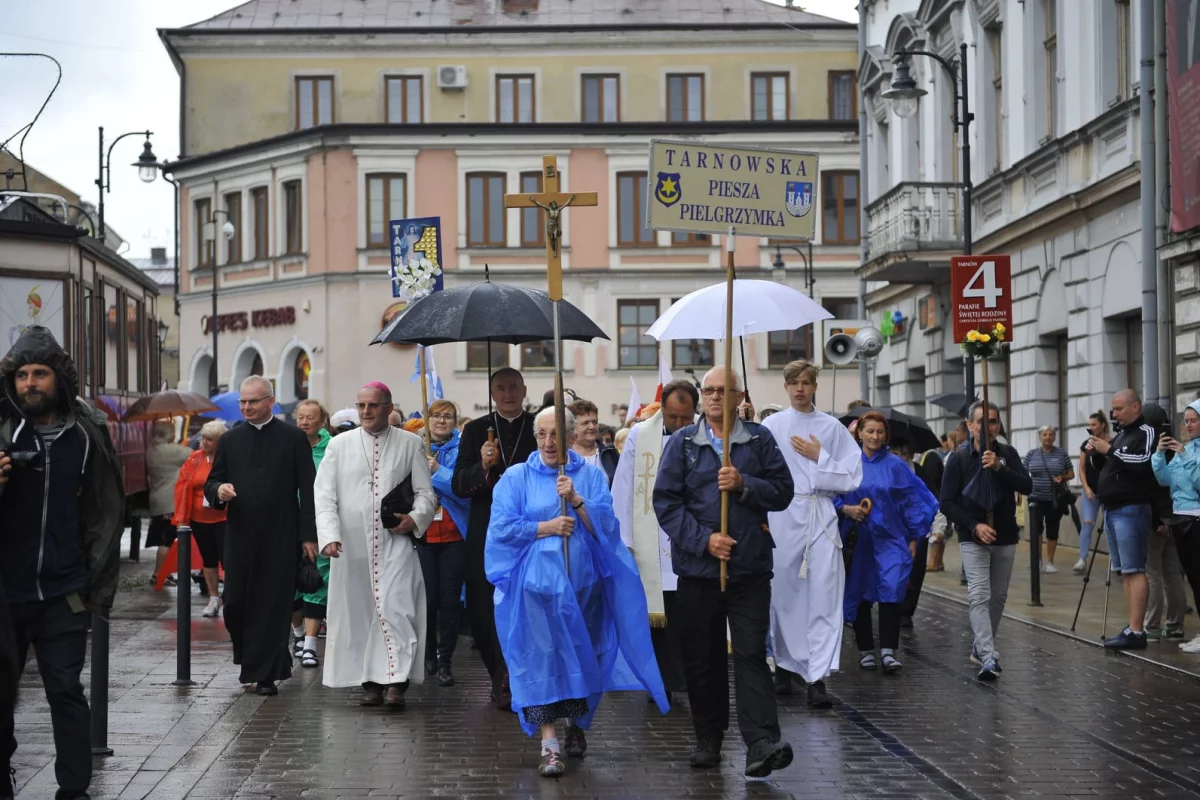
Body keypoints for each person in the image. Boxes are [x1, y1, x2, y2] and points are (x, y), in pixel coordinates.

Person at [488, 406, 667, 777]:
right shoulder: (516, 476)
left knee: (584, 654)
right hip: (535, 592)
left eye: (557, 434)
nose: (549, 442)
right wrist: (546, 526)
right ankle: (548, 743)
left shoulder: (588, 475)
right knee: (543, 659)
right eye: (542, 434)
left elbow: (607, 527)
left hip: (583, 585)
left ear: (571, 436)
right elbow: (502, 527)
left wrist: (577, 501)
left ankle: (576, 726)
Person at [0, 326, 125, 800]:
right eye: (22, 375)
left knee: (66, 693)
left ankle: (74, 790)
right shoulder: (1, 428)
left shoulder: (85, 433)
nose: (30, 383)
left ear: (59, 378)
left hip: (64, 592)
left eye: (40, 373)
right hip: (4, 596)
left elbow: (106, 512)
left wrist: (94, 586)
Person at [654, 366, 795, 778]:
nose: (715, 397)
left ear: (738, 396)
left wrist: (744, 483)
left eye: (723, 391)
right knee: (703, 658)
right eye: (709, 390)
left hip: (749, 569)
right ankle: (708, 737)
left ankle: (761, 742)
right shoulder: (683, 444)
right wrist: (703, 541)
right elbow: (666, 503)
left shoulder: (759, 439)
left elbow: (784, 491)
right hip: (699, 572)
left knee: (751, 653)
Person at [315, 382, 436, 707]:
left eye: (373, 406)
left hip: (394, 542)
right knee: (361, 612)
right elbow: (324, 495)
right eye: (362, 406)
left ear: (388, 407)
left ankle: (396, 681)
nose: (366, 412)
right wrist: (329, 535)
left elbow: (426, 493)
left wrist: (415, 517)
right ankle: (370, 682)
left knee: (397, 607)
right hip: (352, 545)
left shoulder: (411, 443)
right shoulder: (339, 446)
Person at [205, 376, 319, 695]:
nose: (246, 407)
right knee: (236, 604)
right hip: (239, 535)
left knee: (272, 604)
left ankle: (266, 674)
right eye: (242, 402)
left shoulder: (293, 438)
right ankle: (249, 658)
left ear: (270, 401)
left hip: (281, 535)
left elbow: (309, 490)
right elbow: (212, 483)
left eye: (252, 401)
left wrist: (309, 535)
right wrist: (220, 490)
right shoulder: (229, 440)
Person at [760, 361, 862, 704]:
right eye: (794, 383)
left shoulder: (831, 428)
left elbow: (851, 476)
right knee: (785, 593)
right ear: (786, 387)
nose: (800, 388)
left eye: (806, 382)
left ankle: (817, 676)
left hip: (820, 515)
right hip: (784, 515)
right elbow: (758, 467)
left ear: (815, 386)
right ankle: (786, 667)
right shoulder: (772, 426)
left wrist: (821, 457)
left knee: (823, 592)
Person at [453, 368, 537, 709]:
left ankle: (524, 673)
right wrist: (484, 467)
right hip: (487, 528)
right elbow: (460, 484)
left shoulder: (539, 426)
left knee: (529, 601)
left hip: (531, 528)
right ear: (492, 393)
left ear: (524, 390)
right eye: (501, 388)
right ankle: (498, 673)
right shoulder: (475, 430)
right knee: (484, 603)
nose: (508, 393)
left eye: (514, 387)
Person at [612, 379, 699, 700]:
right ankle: (661, 679)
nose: (678, 424)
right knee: (657, 615)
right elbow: (623, 488)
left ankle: (689, 676)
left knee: (688, 612)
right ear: (662, 409)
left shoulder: (704, 437)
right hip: (651, 537)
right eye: (673, 417)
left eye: (685, 418)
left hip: (689, 535)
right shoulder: (640, 435)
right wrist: (624, 539)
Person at [835, 414, 937, 672]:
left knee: (892, 591)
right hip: (857, 539)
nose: (875, 436)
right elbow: (830, 495)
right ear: (860, 433)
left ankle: (889, 650)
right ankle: (866, 649)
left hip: (891, 539)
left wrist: (914, 536)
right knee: (859, 591)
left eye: (880, 432)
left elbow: (914, 499)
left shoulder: (896, 466)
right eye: (870, 431)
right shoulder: (847, 463)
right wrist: (847, 508)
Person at [940, 401, 1032, 680]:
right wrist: (973, 525)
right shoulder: (958, 459)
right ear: (970, 426)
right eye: (981, 421)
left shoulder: (1008, 454)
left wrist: (1000, 469)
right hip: (973, 537)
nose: (987, 427)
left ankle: (980, 647)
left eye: (993, 421)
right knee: (979, 594)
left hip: (1004, 535)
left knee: (998, 596)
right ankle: (989, 657)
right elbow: (946, 501)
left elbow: (1026, 485)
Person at [1092, 389, 1159, 650]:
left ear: (1136, 407)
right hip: (1112, 508)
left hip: (1132, 508)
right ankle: (1132, 627)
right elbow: (1115, 465)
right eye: (1113, 409)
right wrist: (1100, 455)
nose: (1115, 414)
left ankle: (1136, 630)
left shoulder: (1146, 432)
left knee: (1134, 568)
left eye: (1119, 409)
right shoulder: (1122, 434)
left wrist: (1109, 450)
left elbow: (1144, 462)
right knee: (1125, 571)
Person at [420, 399, 470, 687]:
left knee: (449, 601)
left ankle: (445, 659)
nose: (441, 421)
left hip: (453, 535)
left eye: (448, 417)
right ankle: (427, 651)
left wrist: (438, 470)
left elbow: (463, 490)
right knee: (426, 599)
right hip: (424, 535)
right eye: (436, 416)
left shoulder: (463, 450)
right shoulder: (415, 447)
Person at [1154, 400, 1200, 652]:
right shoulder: (1188, 447)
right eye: (1186, 421)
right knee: (1193, 578)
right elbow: (1165, 480)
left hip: (1196, 519)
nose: (1188, 425)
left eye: (1193, 420)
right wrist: (1160, 454)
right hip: (1180, 518)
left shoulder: (1191, 451)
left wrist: (1184, 454)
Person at [172, 420, 229, 617]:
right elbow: (182, 487)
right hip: (199, 519)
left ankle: (229, 597)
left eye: (210, 440)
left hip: (224, 517)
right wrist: (182, 517)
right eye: (203, 438)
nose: (204, 442)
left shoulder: (228, 459)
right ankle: (214, 598)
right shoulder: (194, 459)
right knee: (208, 558)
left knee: (228, 558)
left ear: (220, 441)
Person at [294, 400, 333, 667]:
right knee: (291, 586)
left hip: (320, 524)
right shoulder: (287, 445)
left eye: (311, 418)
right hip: (287, 524)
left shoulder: (332, 449)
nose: (305, 422)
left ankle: (310, 645)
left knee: (315, 581)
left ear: (322, 422)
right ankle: (297, 635)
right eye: (301, 417)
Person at [1022, 426, 1074, 574]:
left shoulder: (1061, 454)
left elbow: (1071, 473)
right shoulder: (1032, 454)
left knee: (1052, 530)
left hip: (1054, 499)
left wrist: (1062, 477)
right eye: (1045, 435)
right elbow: (1024, 473)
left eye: (1051, 435)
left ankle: (1050, 561)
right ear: (1040, 437)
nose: (1048, 437)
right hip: (1035, 498)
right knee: (1036, 530)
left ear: (1055, 437)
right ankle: (1037, 560)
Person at [904, 446, 947, 623]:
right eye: (896, 451)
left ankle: (906, 610)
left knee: (915, 569)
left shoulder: (918, 472)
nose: (900, 455)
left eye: (904, 451)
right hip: (892, 528)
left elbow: (933, 499)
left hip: (917, 527)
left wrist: (938, 527)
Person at [146, 421, 191, 589]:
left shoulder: (151, 450)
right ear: (170, 434)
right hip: (170, 502)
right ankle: (158, 574)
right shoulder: (173, 451)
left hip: (157, 499)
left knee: (165, 539)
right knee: (167, 540)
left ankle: (165, 573)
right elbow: (194, 453)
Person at [1076, 411, 1110, 572]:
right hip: (1091, 492)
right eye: (1089, 425)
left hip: (1109, 492)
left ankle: (1115, 560)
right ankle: (1082, 558)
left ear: (1103, 425)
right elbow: (1081, 469)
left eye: (1094, 425)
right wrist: (1086, 488)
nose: (1091, 428)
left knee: (1110, 525)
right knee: (1088, 523)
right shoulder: (1086, 444)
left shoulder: (1111, 443)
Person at [568, 399, 619, 485]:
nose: (592, 427)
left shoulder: (610, 453)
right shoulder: (564, 455)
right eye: (585, 423)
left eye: (595, 422)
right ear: (572, 427)